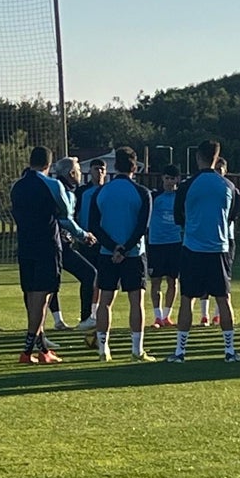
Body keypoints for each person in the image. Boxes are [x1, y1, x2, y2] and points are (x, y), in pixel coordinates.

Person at [11, 146, 95, 364]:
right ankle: (27, 350)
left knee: (31, 294)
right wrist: (83, 235)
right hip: (47, 245)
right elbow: (65, 217)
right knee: (43, 296)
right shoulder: (52, 184)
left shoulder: (16, 186)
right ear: (48, 165)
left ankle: (43, 349)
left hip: (25, 245)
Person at [168, 140, 240, 363]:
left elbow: (178, 217)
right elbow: (231, 217)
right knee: (223, 299)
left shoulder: (187, 186)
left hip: (192, 249)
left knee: (187, 299)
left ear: (198, 157)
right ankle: (229, 351)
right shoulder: (229, 187)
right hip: (219, 249)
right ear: (217, 159)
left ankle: (180, 352)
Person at [89, 147, 155, 362]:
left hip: (107, 253)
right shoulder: (142, 192)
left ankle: (103, 349)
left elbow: (94, 225)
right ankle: (137, 350)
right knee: (136, 302)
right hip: (134, 254)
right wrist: (125, 248)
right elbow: (142, 227)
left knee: (105, 301)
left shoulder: (101, 192)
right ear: (135, 167)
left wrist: (113, 247)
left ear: (114, 166)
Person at [50, 157, 100, 333]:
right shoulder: (61, 190)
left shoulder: (69, 190)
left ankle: (62, 320)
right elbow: (64, 219)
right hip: (56, 242)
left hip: (64, 242)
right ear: (71, 174)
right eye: (78, 170)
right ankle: (82, 318)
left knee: (85, 274)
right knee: (88, 273)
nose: (80, 174)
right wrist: (83, 235)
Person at [201, 157, 240, 326]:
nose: (217, 173)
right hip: (205, 238)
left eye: (220, 170)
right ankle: (204, 314)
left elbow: (232, 215)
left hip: (225, 240)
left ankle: (218, 314)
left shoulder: (229, 188)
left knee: (224, 279)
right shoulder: (204, 188)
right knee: (203, 278)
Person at [73, 158, 108, 332]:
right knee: (88, 277)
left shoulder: (108, 191)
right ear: (91, 171)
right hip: (86, 239)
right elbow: (73, 214)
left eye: (102, 169)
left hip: (103, 240)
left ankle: (96, 313)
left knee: (101, 278)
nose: (99, 172)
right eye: (96, 169)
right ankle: (85, 313)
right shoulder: (82, 192)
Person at [148, 164, 182, 329]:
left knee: (172, 281)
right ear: (162, 178)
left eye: (172, 178)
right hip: (156, 243)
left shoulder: (180, 197)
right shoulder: (154, 197)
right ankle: (157, 316)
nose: (169, 182)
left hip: (175, 243)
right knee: (155, 281)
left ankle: (167, 316)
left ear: (177, 180)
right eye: (167, 178)